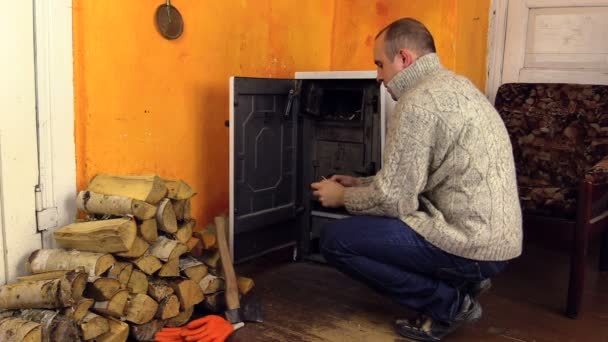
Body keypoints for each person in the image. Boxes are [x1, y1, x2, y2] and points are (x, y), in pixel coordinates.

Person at [310, 18, 523, 341]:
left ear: (404, 59)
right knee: (376, 224)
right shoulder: (456, 86)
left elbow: (396, 201)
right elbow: (416, 178)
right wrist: (362, 183)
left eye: (380, 65)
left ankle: (448, 302)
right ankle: (464, 280)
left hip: (471, 244)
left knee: (336, 240)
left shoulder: (417, 102)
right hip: (499, 241)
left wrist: (341, 198)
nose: (379, 77)